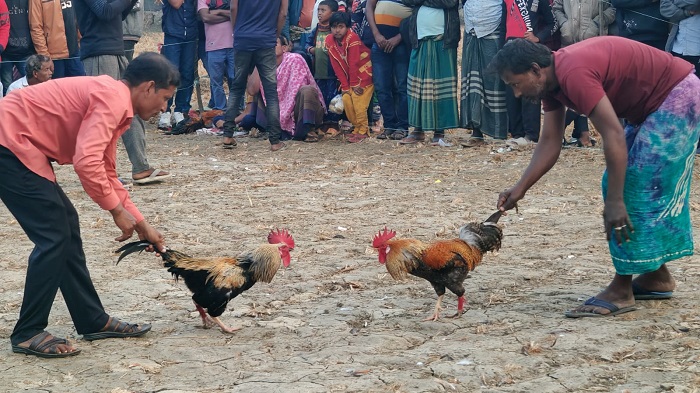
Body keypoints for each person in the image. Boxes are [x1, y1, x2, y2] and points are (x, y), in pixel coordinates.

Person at [491, 37, 700, 318]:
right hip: (655, 105)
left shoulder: (573, 73)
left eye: (516, 84)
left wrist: (614, 202)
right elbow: (551, 140)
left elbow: (612, 133)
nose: (516, 94)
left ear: (535, 69)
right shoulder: (551, 83)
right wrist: (520, 189)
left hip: (677, 97)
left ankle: (621, 289)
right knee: (618, 183)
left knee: (632, 185)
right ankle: (656, 276)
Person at [0, 52, 177, 358]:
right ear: (148, 87)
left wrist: (141, 224)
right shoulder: (112, 99)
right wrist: (116, 211)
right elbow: (86, 162)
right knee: (55, 233)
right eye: (165, 98)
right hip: (9, 143)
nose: (164, 107)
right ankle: (28, 332)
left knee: (65, 225)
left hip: (20, 146)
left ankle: (91, 319)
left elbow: (106, 170)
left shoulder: (114, 100)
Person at [75, 0, 171, 184]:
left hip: (115, 50)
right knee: (103, 115)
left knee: (132, 106)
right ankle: (100, 173)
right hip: (98, 53)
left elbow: (119, 15)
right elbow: (105, 11)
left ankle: (141, 167)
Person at [221, 0, 288, 151]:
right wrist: (274, 35)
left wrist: (236, 31)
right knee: (271, 92)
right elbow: (283, 13)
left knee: (237, 88)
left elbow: (233, 8)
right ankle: (275, 141)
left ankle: (227, 135)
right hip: (266, 40)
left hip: (243, 38)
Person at [400, 0, 460, 145]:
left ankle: (439, 132)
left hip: (443, 41)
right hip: (419, 40)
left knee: (440, 88)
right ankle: (417, 131)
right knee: (417, 88)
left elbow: (449, 2)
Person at [459, 0, 507, 146]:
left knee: (494, 81)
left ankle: (499, 133)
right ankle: (476, 132)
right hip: (471, 29)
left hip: (494, 26)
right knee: (473, 81)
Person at [365, 0, 411, 140]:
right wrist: (376, 34)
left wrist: (398, 38)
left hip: (402, 44)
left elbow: (416, 15)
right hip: (379, 43)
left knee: (402, 87)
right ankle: (390, 126)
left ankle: (403, 127)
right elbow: (369, 7)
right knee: (381, 87)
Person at [326, 11, 374, 143]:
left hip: (364, 74)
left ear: (347, 27)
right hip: (350, 79)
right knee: (347, 99)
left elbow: (354, 63)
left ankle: (364, 130)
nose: (337, 30)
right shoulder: (329, 40)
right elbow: (336, 66)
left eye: (341, 26)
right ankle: (357, 128)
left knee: (358, 100)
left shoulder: (352, 38)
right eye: (334, 27)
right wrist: (346, 86)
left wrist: (353, 85)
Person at [159, 0, 198, 129]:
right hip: (173, 32)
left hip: (191, 33)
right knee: (170, 72)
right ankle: (165, 110)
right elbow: (176, 3)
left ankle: (180, 110)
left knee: (187, 73)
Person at [304, 0, 341, 134]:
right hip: (318, 72)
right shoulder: (316, 30)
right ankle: (323, 123)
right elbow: (306, 45)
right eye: (318, 10)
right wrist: (311, 50)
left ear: (334, 13)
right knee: (321, 97)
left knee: (333, 98)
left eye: (323, 10)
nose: (319, 13)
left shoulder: (335, 32)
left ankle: (334, 124)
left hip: (333, 73)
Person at [28, 0, 85, 78]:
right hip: (54, 57)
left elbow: (78, 15)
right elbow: (35, 27)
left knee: (79, 86)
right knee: (58, 89)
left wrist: (81, 42)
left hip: (75, 52)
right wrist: (46, 58)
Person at [198, 0, 233, 111]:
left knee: (235, 79)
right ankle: (220, 109)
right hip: (213, 45)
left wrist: (217, 11)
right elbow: (206, 18)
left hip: (234, 44)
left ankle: (236, 109)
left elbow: (240, 14)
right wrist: (230, 15)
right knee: (216, 81)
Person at [1, 0, 36, 95]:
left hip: (26, 51)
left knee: (31, 86)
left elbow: (36, 23)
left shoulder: (31, 1)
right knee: (7, 87)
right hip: (5, 53)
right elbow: (3, 26)